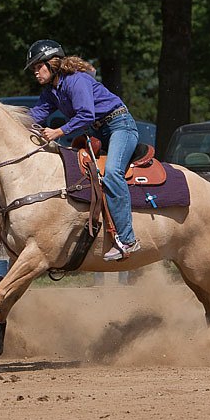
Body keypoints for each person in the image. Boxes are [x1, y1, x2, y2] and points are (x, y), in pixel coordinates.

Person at [24, 39, 140, 261]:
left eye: (39, 66)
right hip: (99, 132)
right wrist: (7, 119)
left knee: (113, 172)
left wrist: (58, 132)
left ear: (53, 63)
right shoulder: (51, 91)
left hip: (120, 125)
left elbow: (86, 114)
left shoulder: (76, 81)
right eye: (34, 69)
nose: (36, 73)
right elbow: (36, 114)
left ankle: (128, 240)